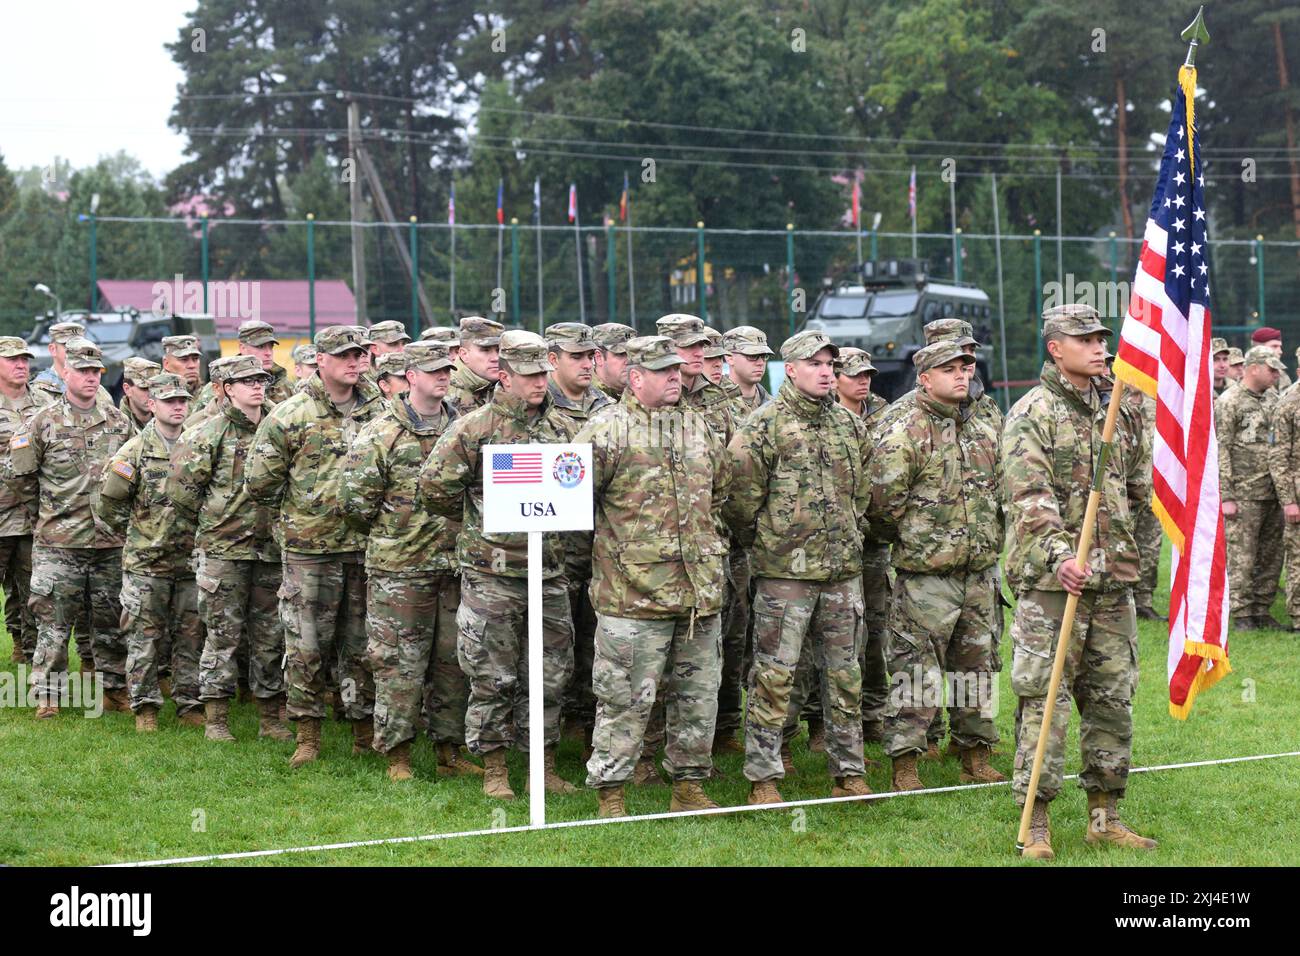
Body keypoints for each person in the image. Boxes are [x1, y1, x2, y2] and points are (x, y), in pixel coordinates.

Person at [1002, 304, 1155, 861]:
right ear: (1054, 348)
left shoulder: (1116, 406)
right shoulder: (1031, 412)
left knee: (1113, 698)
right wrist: (1061, 554)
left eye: (1102, 338)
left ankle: (1104, 816)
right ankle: (1036, 821)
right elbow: (1028, 495)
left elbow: (1136, 482)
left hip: (1112, 582)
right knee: (1045, 703)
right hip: (1054, 586)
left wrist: (1118, 550)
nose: (1099, 347)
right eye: (1084, 339)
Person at [420, 330, 578, 799]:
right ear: (505, 378)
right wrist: (480, 520)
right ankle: (493, 770)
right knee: (492, 674)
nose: (538, 383)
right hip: (492, 576)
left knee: (550, 676)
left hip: (547, 572)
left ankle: (542, 768)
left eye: (542, 374)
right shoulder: (475, 427)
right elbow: (434, 487)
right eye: (528, 376)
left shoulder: (561, 428)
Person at [576, 335, 729, 816]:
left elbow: (720, 491)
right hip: (632, 598)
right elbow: (573, 503)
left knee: (698, 699)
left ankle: (687, 785)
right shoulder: (605, 430)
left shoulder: (697, 425)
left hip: (697, 596)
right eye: (663, 372)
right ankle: (611, 792)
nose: (675, 378)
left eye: (677, 370)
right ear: (635, 378)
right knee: (624, 700)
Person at [724, 329, 871, 804]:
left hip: (842, 572)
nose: (827, 372)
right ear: (790, 369)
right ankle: (764, 777)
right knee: (774, 677)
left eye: (831, 364)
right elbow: (740, 502)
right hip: (785, 575)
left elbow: (862, 493)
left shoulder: (848, 425)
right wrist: (770, 545)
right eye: (816, 364)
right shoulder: (762, 426)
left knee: (845, 675)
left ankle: (849, 771)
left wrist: (850, 532)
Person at [245, 326, 385, 766]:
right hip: (310, 551)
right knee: (305, 647)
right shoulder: (290, 414)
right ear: (320, 360)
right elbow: (260, 481)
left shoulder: (381, 412)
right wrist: (304, 509)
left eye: (359, 353)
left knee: (364, 646)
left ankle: (364, 732)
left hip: (365, 548)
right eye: (343, 354)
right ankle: (307, 735)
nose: (353, 361)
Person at [868, 342, 1005, 790]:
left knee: (977, 668)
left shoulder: (984, 422)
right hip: (926, 576)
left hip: (980, 571)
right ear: (925, 378)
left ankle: (974, 753)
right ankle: (905, 763)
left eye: (966, 367)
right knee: (914, 673)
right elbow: (883, 505)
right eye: (949, 369)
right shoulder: (906, 427)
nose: (961, 376)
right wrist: (919, 543)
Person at [342, 340, 479, 781]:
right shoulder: (382, 432)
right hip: (400, 569)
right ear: (411, 377)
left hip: (454, 566)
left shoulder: (465, 427)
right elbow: (354, 503)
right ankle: (396, 754)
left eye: (447, 369)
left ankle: (450, 751)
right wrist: (397, 532)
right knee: (398, 664)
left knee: (453, 663)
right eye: (433, 370)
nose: (443, 376)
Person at [168, 355, 288, 742]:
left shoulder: (280, 425)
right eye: (247, 380)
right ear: (226, 388)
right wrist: (213, 525)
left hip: (270, 550)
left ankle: (271, 717)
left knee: (271, 636)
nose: (257, 386)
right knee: (222, 636)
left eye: (261, 380)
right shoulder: (206, 433)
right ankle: (216, 717)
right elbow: (181, 493)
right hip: (224, 550)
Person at [12, 338, 134, 717]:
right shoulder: (43, 422)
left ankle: (114, 689)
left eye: (96, 371)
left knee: (111, 620)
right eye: (82, 370)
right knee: (52, 623)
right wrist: (48, 517)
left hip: (108, 543)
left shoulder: (118, 421)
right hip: (58, 542)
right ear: (65, 372)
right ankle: (48, 694)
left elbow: (132, 476)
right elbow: (21, 477)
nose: (90, 378)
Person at [95, 373, 203, 732]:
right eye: (169, 401)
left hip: (189, 561)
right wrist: (138, 532)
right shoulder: (134, 451)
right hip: (146, 563)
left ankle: (190, 704)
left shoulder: (199, 446)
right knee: (143, 637)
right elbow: (109, 503)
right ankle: (145, 707)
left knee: (191, 636)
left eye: (182, 401)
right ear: (152, 405)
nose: (177, 407)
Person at [832, 348, 891, 747]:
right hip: (835, 547)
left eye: (867, 374)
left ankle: (875, 716)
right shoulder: (828, 418)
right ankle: (825, 723)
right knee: (839, 642)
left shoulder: (885, 414)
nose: (863, 381)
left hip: (875, 546)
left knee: (877, 634)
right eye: (854, 375)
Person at [1216, 345, 1286, 631]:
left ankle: (1262, 608)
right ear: (1254, 368)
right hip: (1244, 493)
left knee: (1272, 555)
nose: (1275, 375)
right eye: (1271, 370)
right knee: (1242, 555)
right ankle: (1242, 612)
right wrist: (1227, 495)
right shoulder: (1229, 401)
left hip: (1273, 491)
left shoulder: (1274, 398)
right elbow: (1220, 449)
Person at [0, 337, 51, 665]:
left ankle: (33, 658)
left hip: (34, 515)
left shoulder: (46, 403)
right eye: (12, 359)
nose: (21, 365)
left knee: (35, 590)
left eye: (24, 359)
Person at [657, 314, 736, 445]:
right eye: (689, 346)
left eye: (701, 345)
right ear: (665, 349)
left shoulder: (716, 399)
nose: (699, 353)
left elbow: (731, 459)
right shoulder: (652, 399)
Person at [1268, 365, 1300, 632]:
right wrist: (1288, 500)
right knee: (1298, 557)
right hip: (1298, 494)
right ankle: (1299, 616)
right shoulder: (1288, 404)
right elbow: (1278, 457)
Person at [447, 316, 502, 413]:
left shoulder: (505, 389)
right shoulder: (445, 393)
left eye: (498, 350)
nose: (495, 358)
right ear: (464, 354)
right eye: (485, 350)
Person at [722, 326, 774, 415]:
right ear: (730, 358)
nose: (761, 362)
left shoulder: (774, 407)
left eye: (764, 356)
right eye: (752, 356)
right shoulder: (712, 405)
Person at [591, 323, 635, 400]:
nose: (629, 361)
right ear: (599, 358)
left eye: (632, 354)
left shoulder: (644, 394)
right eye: (621, 354)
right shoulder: (583, 397)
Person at [119, 358, 161, 437]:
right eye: (144, 388)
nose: (151, 394)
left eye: (154, 388)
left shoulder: (166, 421)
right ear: (127, 389)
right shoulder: (117, 426)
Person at [1251, 326, 1291, 392]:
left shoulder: (1281, 375)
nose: (1280, 352)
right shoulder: (1243, 373)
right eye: (1274, 346)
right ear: (1259, 348)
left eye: (1280, 347)